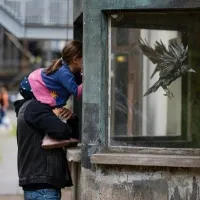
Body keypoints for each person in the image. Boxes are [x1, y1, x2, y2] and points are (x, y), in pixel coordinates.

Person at [19, 40, 83, 149]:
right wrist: (89, 79)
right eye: (85, 58)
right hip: (32, 86)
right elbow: (77, 92)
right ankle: (49, 136)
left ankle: (50, 135)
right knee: (49, 110)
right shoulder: (64, 73)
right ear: (76, 60)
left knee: (52, 110)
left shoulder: (70, 71)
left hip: (34, 85)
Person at [14, 97, 79, 200]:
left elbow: (71, 137)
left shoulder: (26, 107)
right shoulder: (36, 107)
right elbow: (61, 131)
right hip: (43, 186)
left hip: (38, 183)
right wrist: (58, 117)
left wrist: (71, 118)